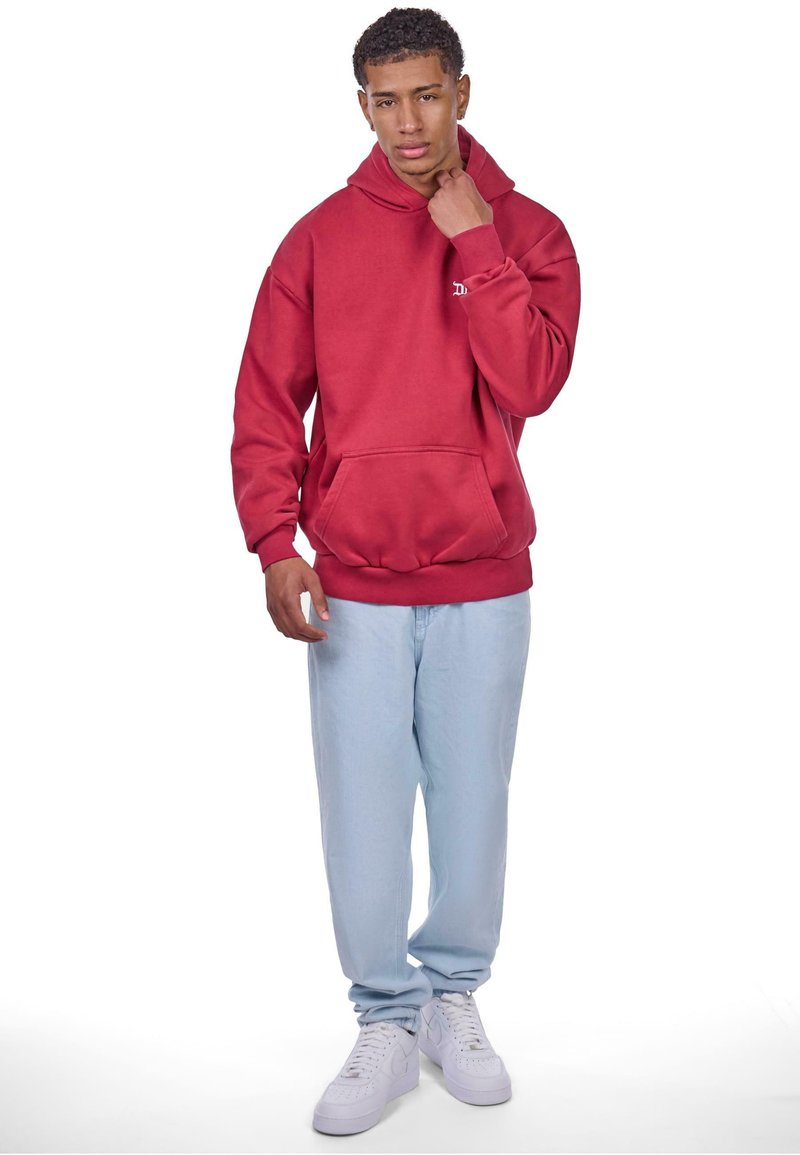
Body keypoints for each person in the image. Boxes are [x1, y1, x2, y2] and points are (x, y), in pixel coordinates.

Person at [230, 6, 581, 1136]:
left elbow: (530, 383)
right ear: (362, 106)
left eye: (426, 94)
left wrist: (474, 241)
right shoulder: (316, 241)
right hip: (355, 583)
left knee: (473, 804)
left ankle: (452, 998)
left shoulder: (530, 231)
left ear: (462, 93)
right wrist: (274, 541)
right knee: (364, 814)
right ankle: (384, 1016)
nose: (407, 122)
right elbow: (266, 402)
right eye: (384, 101)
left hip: (484, 574)